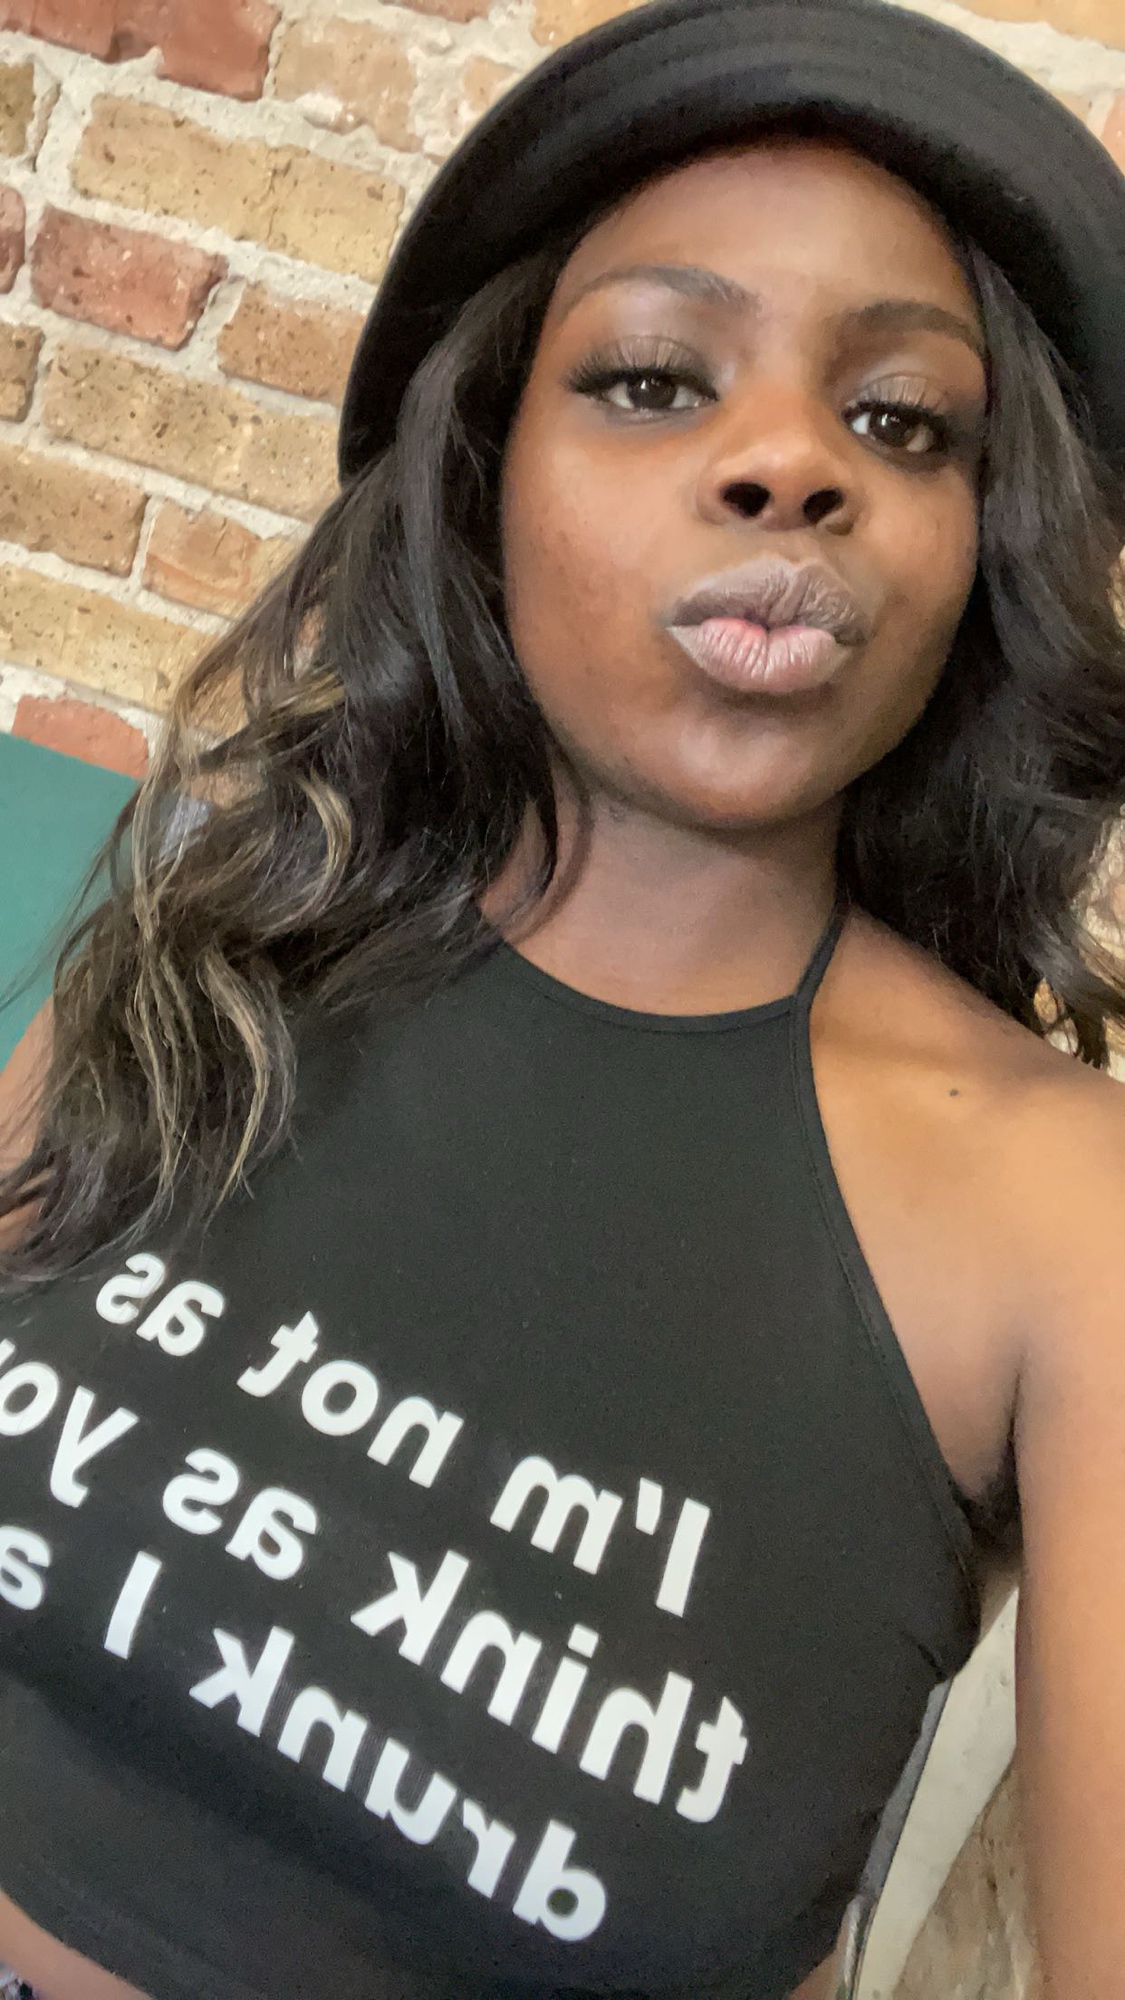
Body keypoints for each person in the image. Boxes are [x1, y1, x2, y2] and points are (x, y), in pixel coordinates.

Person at [0, 0, 1124, 1993]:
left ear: (977, 551)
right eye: (651, 379)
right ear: (483, 479)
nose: (786, 462)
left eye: (898, 421)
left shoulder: (1064, 1217)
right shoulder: (224, 920)